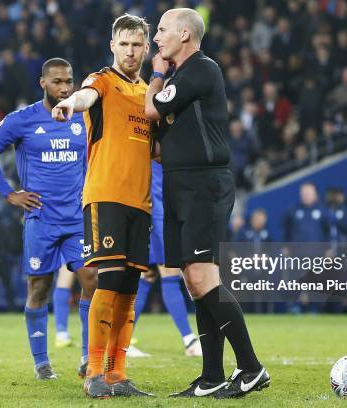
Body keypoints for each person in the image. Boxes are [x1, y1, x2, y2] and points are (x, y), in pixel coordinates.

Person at [145, 8, 269, 399]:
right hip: (179, 184)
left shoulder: (201, 68)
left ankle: (251, 368)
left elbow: (151, 109)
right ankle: (211, 375)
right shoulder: (184, 75)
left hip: (204, 183)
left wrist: (156, 73)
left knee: (203, 277)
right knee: (193, 282)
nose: (156, 38)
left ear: (184, 33)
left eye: (162, 30)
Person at [52, 14, 154, 398]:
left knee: (129, 288)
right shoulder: (102, 81)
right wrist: (69, 104)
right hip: (106, 195)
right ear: (113, 46)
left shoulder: (149, 92)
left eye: (137, 44)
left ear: (146, 48)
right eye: (124, 44)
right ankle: (94, 371)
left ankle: (118, 374)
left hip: (139, 202)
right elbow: (85, 96)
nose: (130, 51)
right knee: (109, 280)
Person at [0, 58, 97, 380]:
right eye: (57, 81)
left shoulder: (82, 118)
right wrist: (9, 193)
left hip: (76, 218)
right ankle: (42, 362)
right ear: (42, 83)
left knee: (92, 280)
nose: (64, 88)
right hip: (40, 219)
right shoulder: (22, 120)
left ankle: (88, 357)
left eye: (69, 81)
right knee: (39, 290)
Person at [131, 160, 203, 358]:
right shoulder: (158, 145)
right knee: (169, 271)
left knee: (148, 276)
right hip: (157, 212)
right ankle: (189, 340)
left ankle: (123, 341)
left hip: (154, 209)